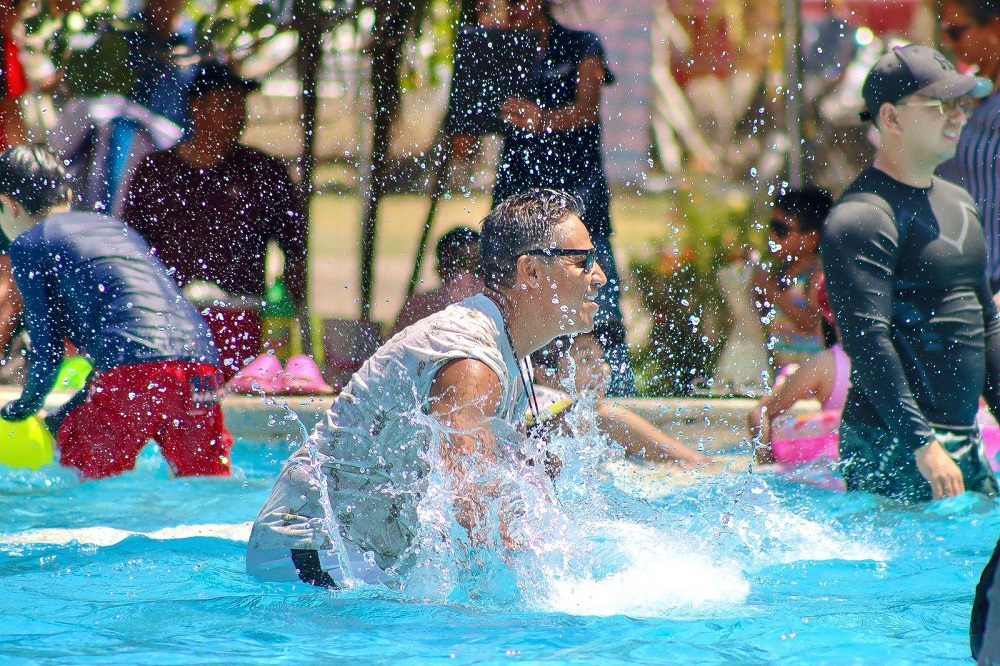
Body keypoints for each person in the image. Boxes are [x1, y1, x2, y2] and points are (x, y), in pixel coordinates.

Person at [246, 189, 607, 588]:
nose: (599, 276)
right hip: (304, 551)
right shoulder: (471, 363)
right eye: (582, 261)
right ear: (532, 272)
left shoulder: (510, 352)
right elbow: (469, 494)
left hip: (351, 554)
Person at [820, 44, 998, 503]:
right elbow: (867, 340)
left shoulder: (960, 203)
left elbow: (986, 323)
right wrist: (923, 446)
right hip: (894, 442)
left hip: (962, 438)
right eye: (939, 105)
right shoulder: (862, 216)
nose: (957, 117)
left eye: (961, 104)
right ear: (891, 118)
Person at [0, 146, 232, 480]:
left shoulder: (29, 244)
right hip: (201, 362)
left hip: (133, 370)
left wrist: (24, 407)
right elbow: (139, 360)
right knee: (206, 482)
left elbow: (48, 353)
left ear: (9, 205)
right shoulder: (115, 228)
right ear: (67, 195)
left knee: (88, 480)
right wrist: (61, 417)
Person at [487, 0, 634, 396]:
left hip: (579, 201)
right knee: (512, 302)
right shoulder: (495, 51)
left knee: (599, 308)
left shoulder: (581, 45)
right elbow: (468, 128)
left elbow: (588, 110)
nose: (508, 9)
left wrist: (543, 120)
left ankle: (618, 396)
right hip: (518, 207)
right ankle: (518, 390)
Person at [122, 61, 308, 375]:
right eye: (226, 104)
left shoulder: (263, 172)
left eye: (241, 105)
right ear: (197, 108)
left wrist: (290, 319)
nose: (238, 114)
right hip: (170, 325)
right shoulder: (157, 172)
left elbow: (296, 252)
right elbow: (130, 251)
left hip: (242, 324)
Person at [531, 332, 709, 468]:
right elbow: (696, 464)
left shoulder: (528, 424)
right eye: (585, 359)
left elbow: (691, 463)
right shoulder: (600, 417)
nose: (603, 369)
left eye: (601, 358)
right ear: (545, 375)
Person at [938, 0, 1000, 293]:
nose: (947, 42)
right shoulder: (971, 93)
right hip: (962, 278)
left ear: (995, 27)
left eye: (956, 31)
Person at [752, 188, 833, 371]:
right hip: (784, 371)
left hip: (809, 372)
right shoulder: (782, 273)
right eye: (772, 227)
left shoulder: (816, 276)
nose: (772, 236)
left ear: (811, 238)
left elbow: (811, 324)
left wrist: (771, 292)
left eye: (781, 230)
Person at [391, 226, 484, 335]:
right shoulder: (419, 305)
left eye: (478, 269)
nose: (468, 278)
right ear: (441, 270)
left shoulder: (419, 304)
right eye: (458, 268)